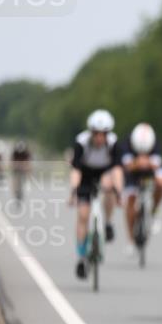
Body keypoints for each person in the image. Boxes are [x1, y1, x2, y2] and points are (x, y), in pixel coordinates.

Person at [68, 109, 124, 279]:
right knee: (83, 215)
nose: (100, 138)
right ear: (91, 132)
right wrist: (73, 192)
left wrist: (119, 192)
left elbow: (117, 169)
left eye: (103, 134)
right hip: (85, 175)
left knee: (109, 188)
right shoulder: (81, 142)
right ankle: (82, 256)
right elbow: (75, 170)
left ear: (108, 133)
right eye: (96, 134)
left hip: (104, 173)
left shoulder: (113, 143)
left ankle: (107, 222)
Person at [121, 122, 162, 254]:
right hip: (132, 174)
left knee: (161, 183)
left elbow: (157, 166)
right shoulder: (127, 143)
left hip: (150, 172)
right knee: (130, 199)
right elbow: (128, 166)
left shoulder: (155, 143)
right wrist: (138, 163)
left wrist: (145, 163)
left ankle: (153, 211)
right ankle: (130, 240)